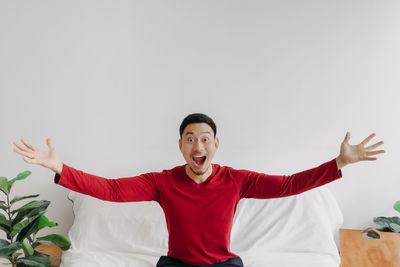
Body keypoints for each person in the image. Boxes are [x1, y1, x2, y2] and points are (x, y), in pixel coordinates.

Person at [13, 113, 385, 267]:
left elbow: (289, 185)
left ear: (215, 145)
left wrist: (338, 163)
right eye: (190, 139)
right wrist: (58, 168)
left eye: (204, 139)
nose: (197, 146)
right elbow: (110, 190)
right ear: (181, 147)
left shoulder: (237, 180)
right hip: (176, 265)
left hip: (224, 265)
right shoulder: (162, 181)